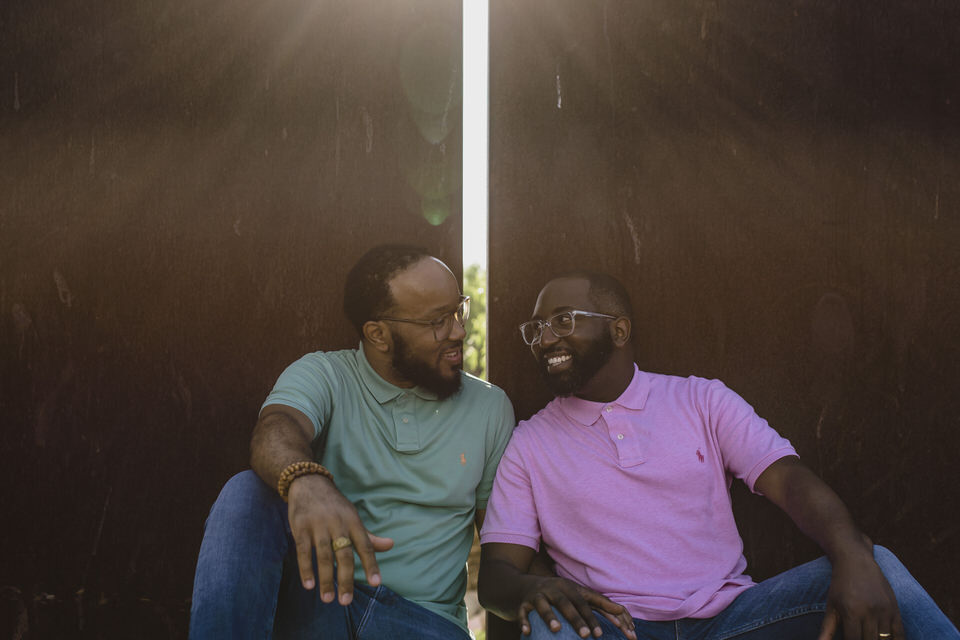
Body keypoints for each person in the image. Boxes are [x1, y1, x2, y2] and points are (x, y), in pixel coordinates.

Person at [478, 271, 959, 640]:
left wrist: (852, 552)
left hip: (732, 621)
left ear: (619, 330)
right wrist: (530, 588)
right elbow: (498, 574)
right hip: (615, 628)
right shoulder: (530, 442)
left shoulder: (700, 400)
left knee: (878, 565)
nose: (544, 339)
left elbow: (790, 483)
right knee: (549, 625)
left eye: (563, 321)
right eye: (537, 327)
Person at [189, 244, 516, 639]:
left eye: (457, 311)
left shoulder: (489, 406)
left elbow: (503, 550)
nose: (459, 331)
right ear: (378, 334)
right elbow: (276, 429)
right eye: (437, 321)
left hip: (423, 622)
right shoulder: (325, 375)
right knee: (245, 494)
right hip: (323, 602)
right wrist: (305, 480)